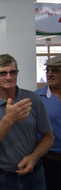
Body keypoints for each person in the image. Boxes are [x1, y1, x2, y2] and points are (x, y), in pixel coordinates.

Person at [0, 54, 54, 190]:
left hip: (34, 176)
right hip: (1, 178)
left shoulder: (33, 99)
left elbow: (48, 136)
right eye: (2, 73)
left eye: (13, 72)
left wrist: (34, 157)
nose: (9, 77)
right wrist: (9, 119)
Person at [34, 55, 61, 190]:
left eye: (55, 71)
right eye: (48, 70)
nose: (49, 74)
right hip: (49, 160)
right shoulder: (37, 98)